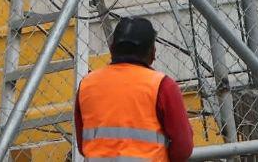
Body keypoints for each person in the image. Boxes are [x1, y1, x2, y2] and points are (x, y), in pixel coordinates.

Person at [75, 17, 194, 162]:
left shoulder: (87, 85)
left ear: (112, 49)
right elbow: (183, 149)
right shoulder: (163, 86)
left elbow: (83, 146)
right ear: (153, 52)